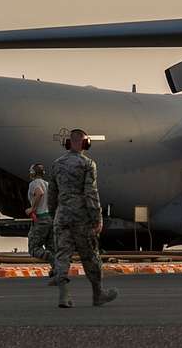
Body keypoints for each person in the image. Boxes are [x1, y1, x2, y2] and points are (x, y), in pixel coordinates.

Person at [48, 129, 117, 308]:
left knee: (62, 254)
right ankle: (98, 294)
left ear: (69, 143)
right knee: (90, 256)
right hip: (81, 218)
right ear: (85, 143)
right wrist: (97, 218)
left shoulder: (57, 164)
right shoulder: (87, 164)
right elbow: (90, 193)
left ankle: (64, 296)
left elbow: (52, 193)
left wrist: (53, 214)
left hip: (62, 216)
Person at [26, 162, 57, 285]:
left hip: (40, 219)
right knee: (51, 247)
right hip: (50, 218)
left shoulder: (34, 184)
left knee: (34, 249)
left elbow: (39, 193)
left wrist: (32, 209)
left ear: (33, 173)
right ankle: (57, 272)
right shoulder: (48, 184)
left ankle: (56, 261)